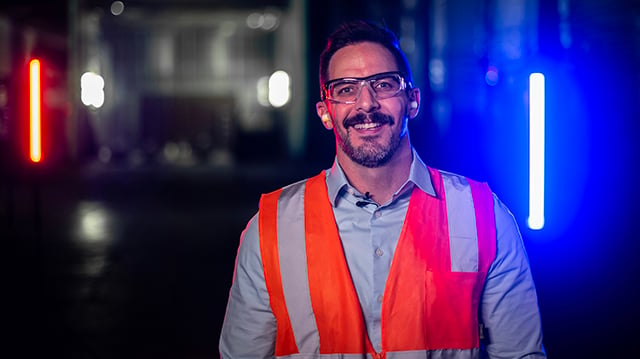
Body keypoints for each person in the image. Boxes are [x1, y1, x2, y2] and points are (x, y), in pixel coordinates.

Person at [220, 20, 546, 359]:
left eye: (384, 84)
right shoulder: (271, 229)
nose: (366, 104)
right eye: (346, 89)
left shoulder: (482, 217)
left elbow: (519, 354)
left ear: (412, 101)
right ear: (325, 112)